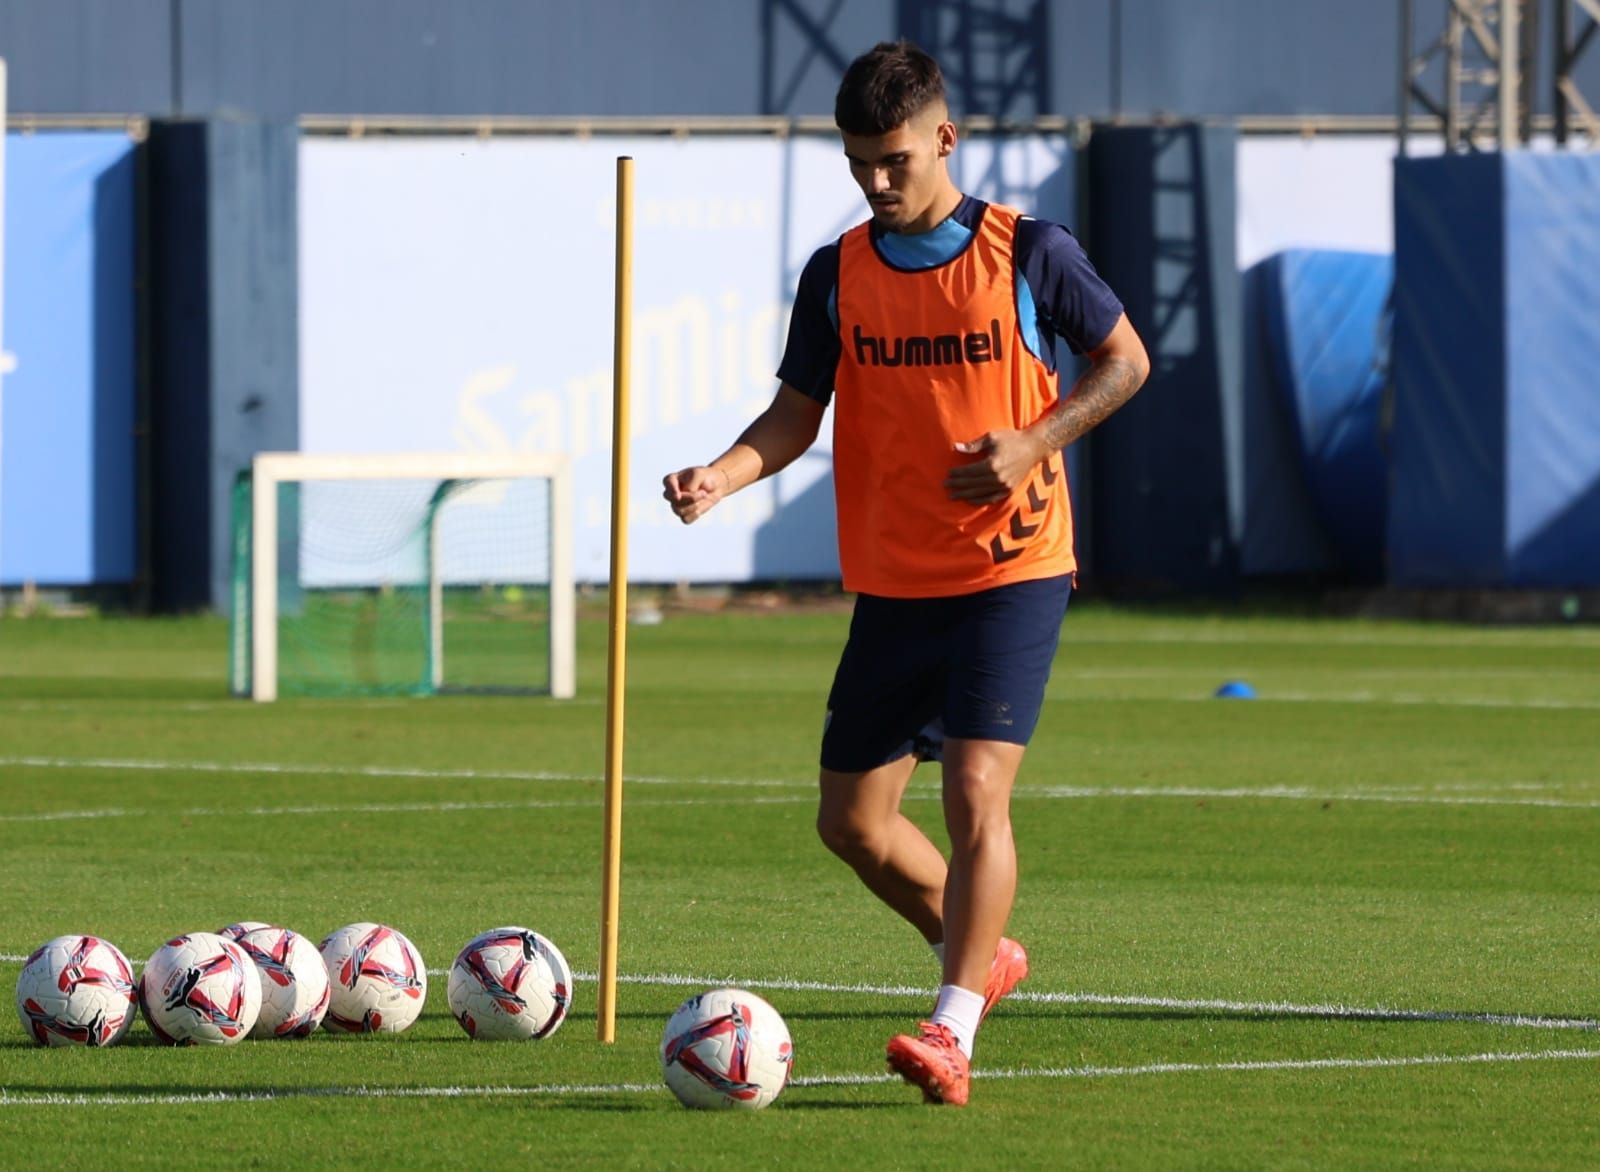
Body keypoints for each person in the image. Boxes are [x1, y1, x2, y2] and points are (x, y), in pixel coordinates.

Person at [662, 40, 1149, 1106]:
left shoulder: (1030, 251)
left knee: (977, 788)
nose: (877, 183)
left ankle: (951, 1027)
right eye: (857, 165)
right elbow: (797, 412)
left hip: (1011, 565)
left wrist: (1031, 440)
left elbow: (1124, 360)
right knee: (852, 823)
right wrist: (720, 476)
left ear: (943, 138)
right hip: (892, 581)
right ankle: (977, 948)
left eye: (893, 161)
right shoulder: (836, 273)